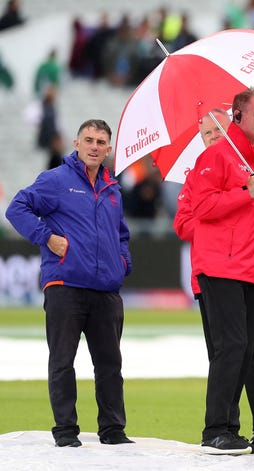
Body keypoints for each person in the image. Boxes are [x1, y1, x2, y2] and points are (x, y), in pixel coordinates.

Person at [5, 119, 134, 447]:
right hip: (65, 284)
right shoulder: (56, 180)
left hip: (105, 289)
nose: (94, 146)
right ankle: (65, 431)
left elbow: (121, 233)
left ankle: (113, 431)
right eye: (88, 139)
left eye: (101, 141)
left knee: (110, 364)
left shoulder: (112, 188)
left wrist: (122, 264)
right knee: (63, 360)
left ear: (108, 149)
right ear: (76, 144)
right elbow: (16, 208)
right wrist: (46, 237)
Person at [188, 88, 254, 455]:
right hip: (221, 266)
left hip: (252, 266)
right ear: (238, 116)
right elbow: (200, 208)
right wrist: (245, 194)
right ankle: (216, 428)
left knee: (246, 349)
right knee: (231, 346)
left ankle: (230, 428)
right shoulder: (215, 158)